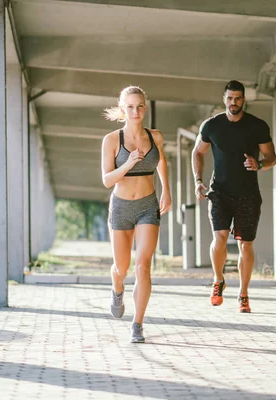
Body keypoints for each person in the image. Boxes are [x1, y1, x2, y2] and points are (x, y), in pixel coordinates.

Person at [192, 80, 276, 313]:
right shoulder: (212, 125)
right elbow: (198, 152)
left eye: (238, 98)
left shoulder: (257, 126)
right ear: (224, 99)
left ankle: (243, 294)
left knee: (245, 244)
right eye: (229, 98)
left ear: (244, 100)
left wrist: (259, 164)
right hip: (219, 191)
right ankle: (218, 280)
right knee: (219, 237)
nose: (233, 103)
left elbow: (271, 156)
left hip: (248, 195)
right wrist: (198, 181)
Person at [101, 85, 171, 343]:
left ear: (145, 107)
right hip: (120, 207)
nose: (135, 111)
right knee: (122, 267)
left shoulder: (156, 137)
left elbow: (161, 160)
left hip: (147, 206)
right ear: (123, 109)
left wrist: (166, 190)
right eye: (130, 107)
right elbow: (107, 179)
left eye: (140, 106)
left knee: (143, 265)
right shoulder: (111, 140)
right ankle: (117, 288)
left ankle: (137, 324)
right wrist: (129, 162)